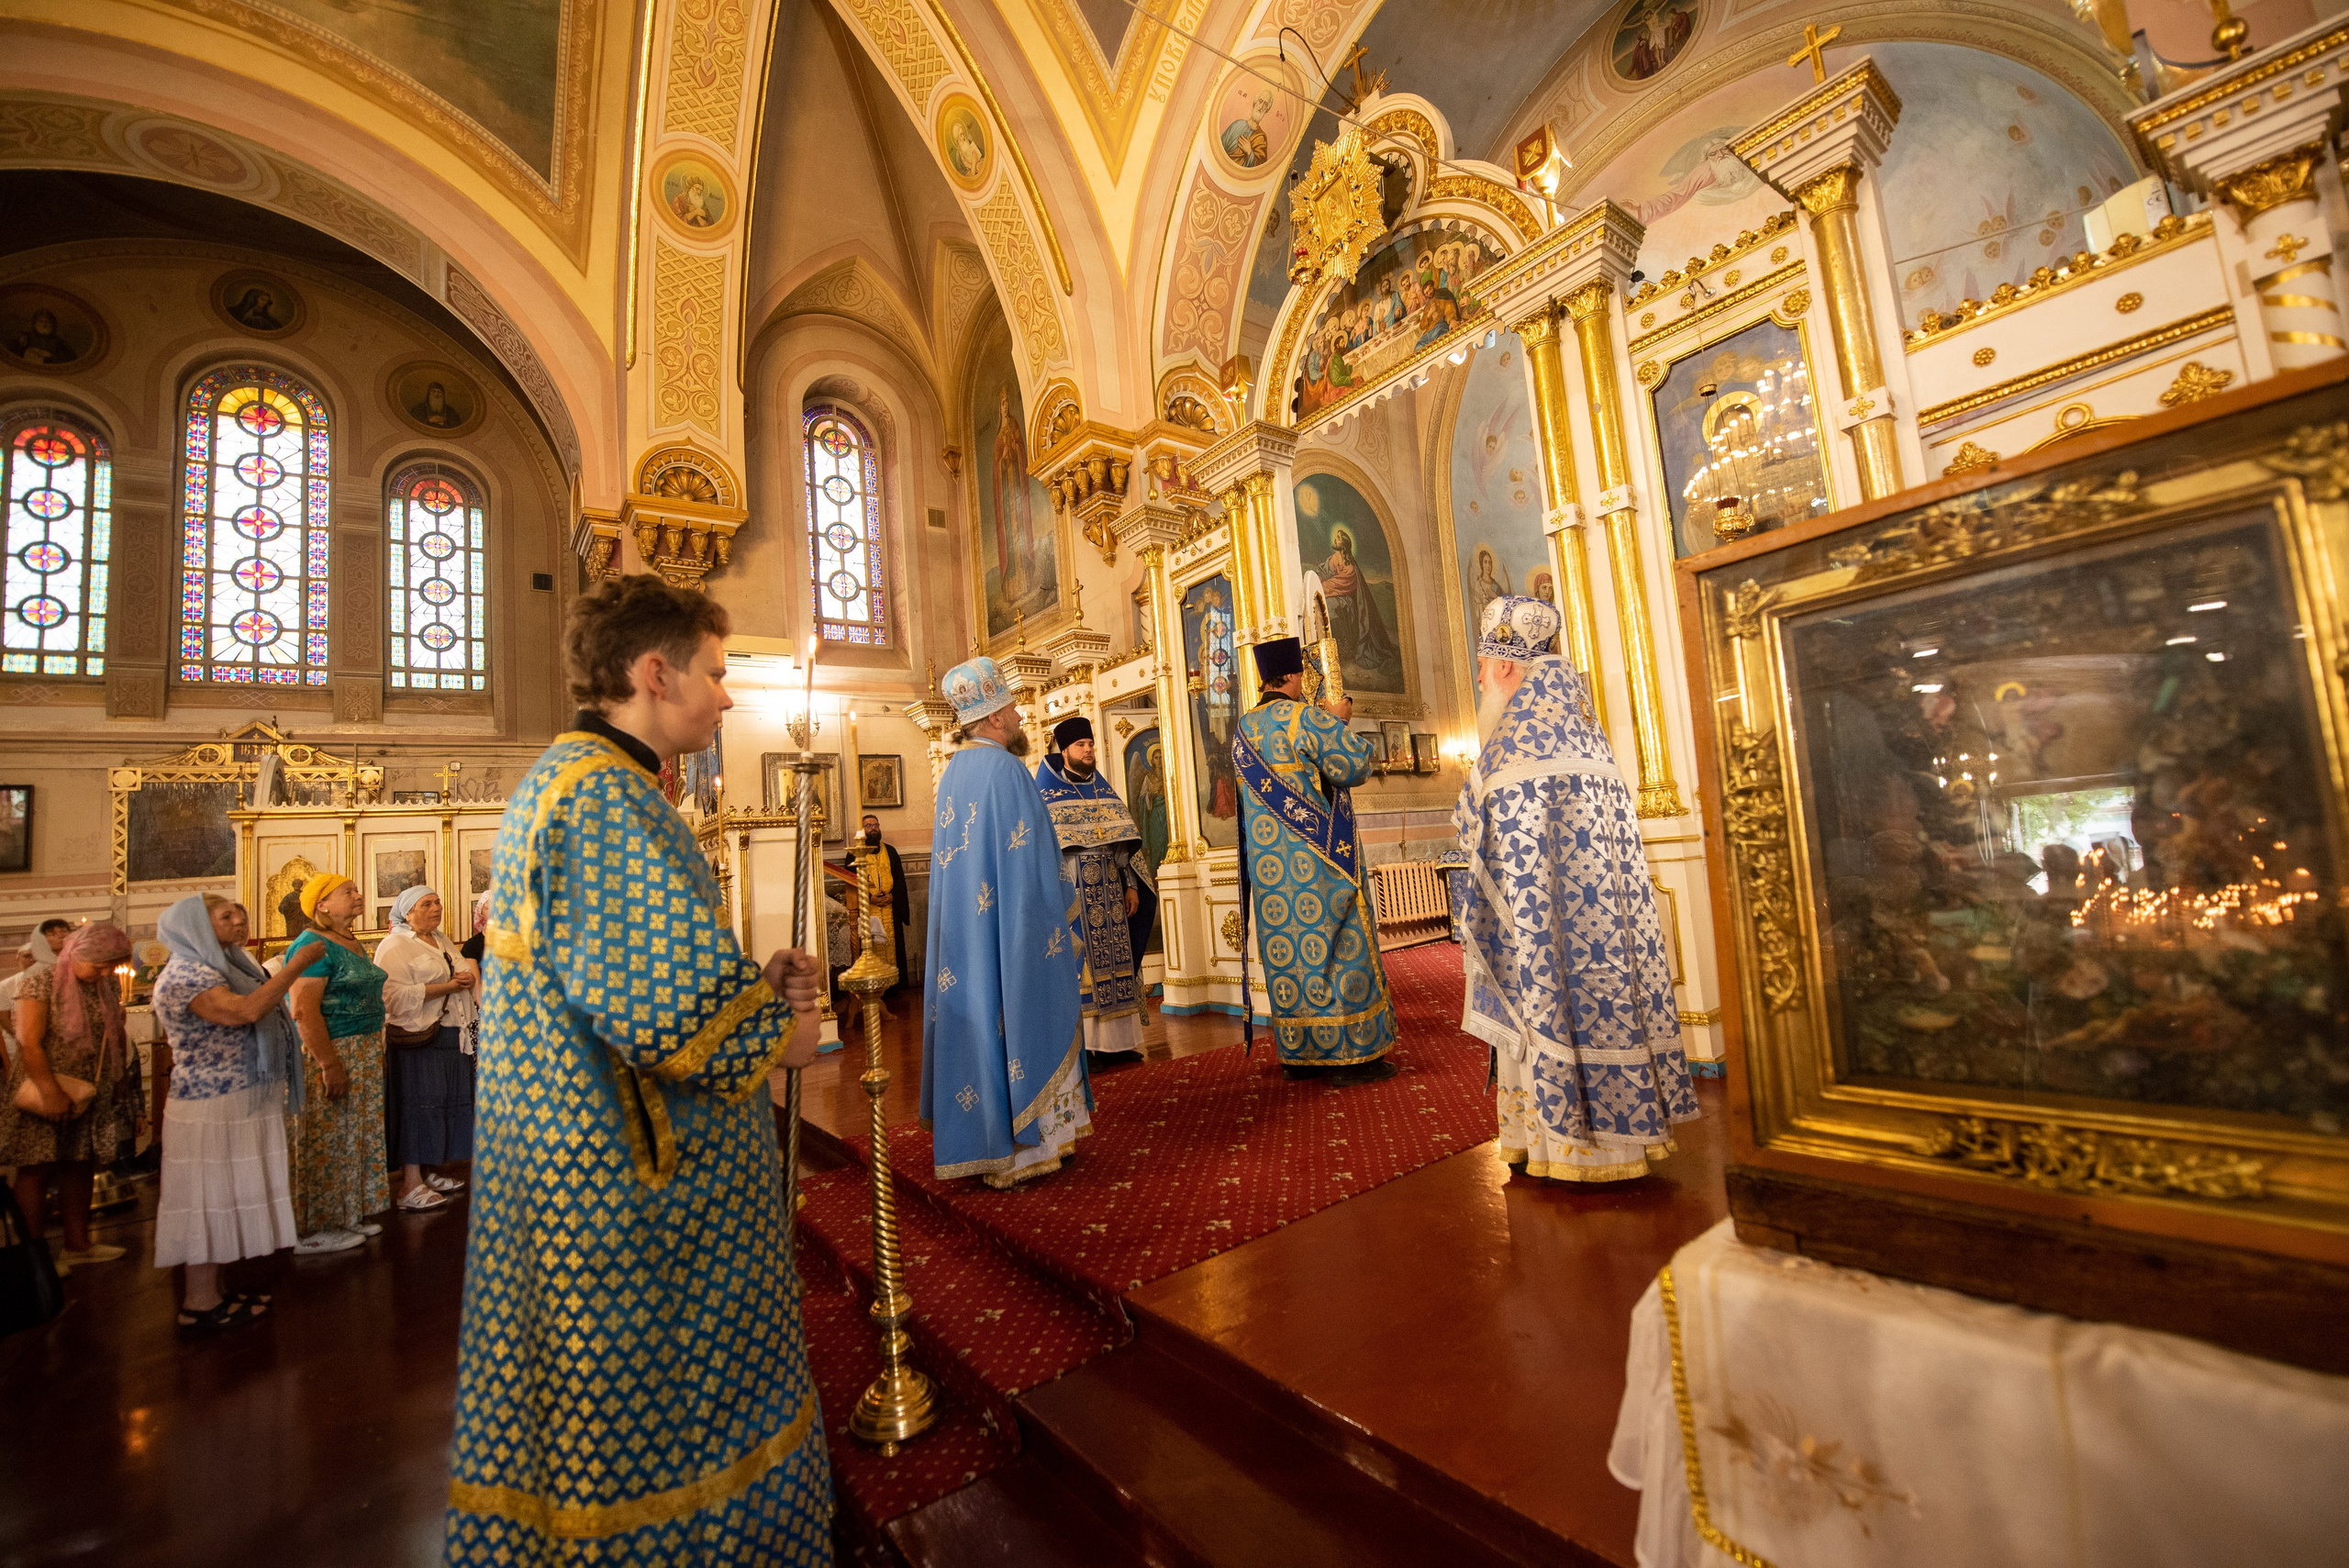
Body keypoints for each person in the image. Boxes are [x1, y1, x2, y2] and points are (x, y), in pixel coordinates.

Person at [446, 573, 829, 1564]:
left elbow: (624, 970)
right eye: (715, 670)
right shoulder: (605, 798)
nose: (729, 694)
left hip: (580, 1149)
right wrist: (779, 1027)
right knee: (659, 1407)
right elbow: (669, 1010)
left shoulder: (573, 781)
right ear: (654, 674)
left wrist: (753, 978)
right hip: (630, 1180)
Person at [1453, 596, 1698, 1181]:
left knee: (1545, 1005)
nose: (1482, 679)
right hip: (1610, 947)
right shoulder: (1592, 745)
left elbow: (1482, 854)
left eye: (1483, 668)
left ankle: (1557, 1150)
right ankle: (1627, 1145)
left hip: (1543, 953)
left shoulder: (1508, 756)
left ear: (1507, 667)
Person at [920, 657, 1089, 1188]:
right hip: (1014, 926)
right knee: (1017, 1004)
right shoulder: (1006, 770)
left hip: (967, 935)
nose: (1019, 715)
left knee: (979, 1008)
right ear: (993, 718)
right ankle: (1028, 1148)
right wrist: (1063, 894)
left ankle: (986, 1140)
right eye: (1012, 708)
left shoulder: (954, 773)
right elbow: (1033, 860)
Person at [150, 895, 324, 1331]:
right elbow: (247, 1011)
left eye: (239, 912)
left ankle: (214, 1292)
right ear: (194, 928)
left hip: (241, 1096)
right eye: (225, 916)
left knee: (224, 1193)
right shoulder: (185, 975)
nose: (239, 919)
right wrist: (296, 965)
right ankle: (199, 1301)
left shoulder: (225, 965)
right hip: (211, 1105)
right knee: (206, 1197)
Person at [1234, 637, 1397, 1084]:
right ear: (1291, 677)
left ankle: (1299, 1052)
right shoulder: (1306, 719)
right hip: (1321, 863)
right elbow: (1355, 766)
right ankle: (1351, 1052)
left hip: (1271, 874)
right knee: (1342, 949)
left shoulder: (1244, 729)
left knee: (1290, 956)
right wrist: (1339, 722)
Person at [1, 922, 139, 1273]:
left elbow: (112, 1032)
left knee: (80, 1162)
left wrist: (118, 1077)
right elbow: (29, 1041)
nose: (107, 972)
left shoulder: (104, 982)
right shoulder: (40, 980)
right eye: (100, 964)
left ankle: (78, 1245)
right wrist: (51, 1093)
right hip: (46, 1083)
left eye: (113, 965)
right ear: (77, 954)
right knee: (37, 1168)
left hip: (89, 1088)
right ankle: (36, 1259)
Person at [1035, 716, 1153, 1057]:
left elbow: (1124, 845)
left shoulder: (1103, 790)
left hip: (1112, 891)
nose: (1088, 751)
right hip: (1075, 894)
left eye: (1090, 745)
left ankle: (1120, 1044)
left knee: (1119, 957)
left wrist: (1131, 886)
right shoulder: (1048, 793)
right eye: (1080, 746)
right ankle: (1088, 1049)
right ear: (1064, 750)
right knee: (1083, 966)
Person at [284, 873, 389, 1254]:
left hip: (361, 1050)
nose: (358, 895)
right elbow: (303, 1009)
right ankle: (315, 1225)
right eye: (348, 892)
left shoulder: (349, 941)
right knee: (327, 1135)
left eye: (357, 889)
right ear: (322, 905)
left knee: (353, 1130)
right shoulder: (311, 944)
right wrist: (329, 1064)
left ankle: (347, 1211)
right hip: (332, 1050)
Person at [374, 885, 477, 1213]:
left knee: (445, 1103)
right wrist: (448, 986)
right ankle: (409, 1183)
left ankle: (430, 1171)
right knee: (421, 1105)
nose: (436, 908)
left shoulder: (442, 940)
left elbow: (464, 971)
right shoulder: (394, 946)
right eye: (427, 904)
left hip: (451, 1032)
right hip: (420, 1037)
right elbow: (392, 996)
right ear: (408, 913)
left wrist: (465, 980)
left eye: (438, 902)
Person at [842, 814, 909, 990]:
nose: (873, 828)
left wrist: (893, 896)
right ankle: (872, 989)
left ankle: (894, 987)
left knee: (892, 948)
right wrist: (868, 897)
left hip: (890, 908)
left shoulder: (891, 852)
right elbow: (851, 883)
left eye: (875, 825)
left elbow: (900, 881)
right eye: (868, 825)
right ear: (862, 830)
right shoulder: (853, 855)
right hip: (867, 911)